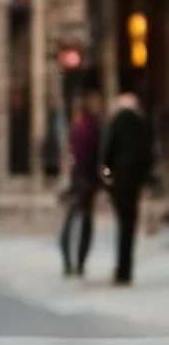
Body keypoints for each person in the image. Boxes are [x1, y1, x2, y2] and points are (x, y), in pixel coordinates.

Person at [101, 92, 154, 285]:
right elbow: (148, 153)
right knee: (129, 224)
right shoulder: (142, 124)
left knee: (123, 222)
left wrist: (107, 178)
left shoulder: (116, 123)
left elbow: (107, 154)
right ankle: (126, 269)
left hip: (119, 182)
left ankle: (122, 270)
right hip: (135, 181)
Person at [58, 90, 103, 277]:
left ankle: (70, 262)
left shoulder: (81, 128)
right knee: (83, 223)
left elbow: (76, 157)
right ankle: (78, 263)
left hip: (79, 180)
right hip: (86, 182)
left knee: (73, 222)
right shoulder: (92, 128)